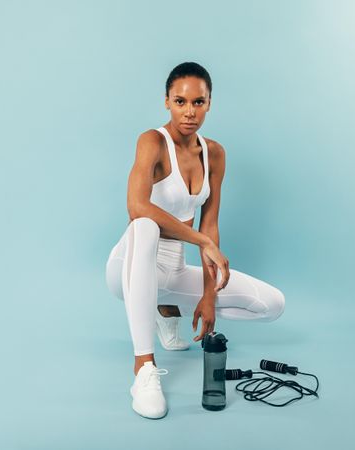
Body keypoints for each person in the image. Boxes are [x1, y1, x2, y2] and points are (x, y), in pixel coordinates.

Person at [105, 62, 285, 419]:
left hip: (172, 272)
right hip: (128, 267)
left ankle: (165, 308)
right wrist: (202, 240)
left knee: (272, 305)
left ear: (209, 103)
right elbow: (136, 206)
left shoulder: (215, 153)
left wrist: (206, 295)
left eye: (198, 102)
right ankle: (143, 367)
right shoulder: (152, 141)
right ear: (167, 102)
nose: (189, 112)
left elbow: (212, 224)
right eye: (180, 101)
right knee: (145, 225)